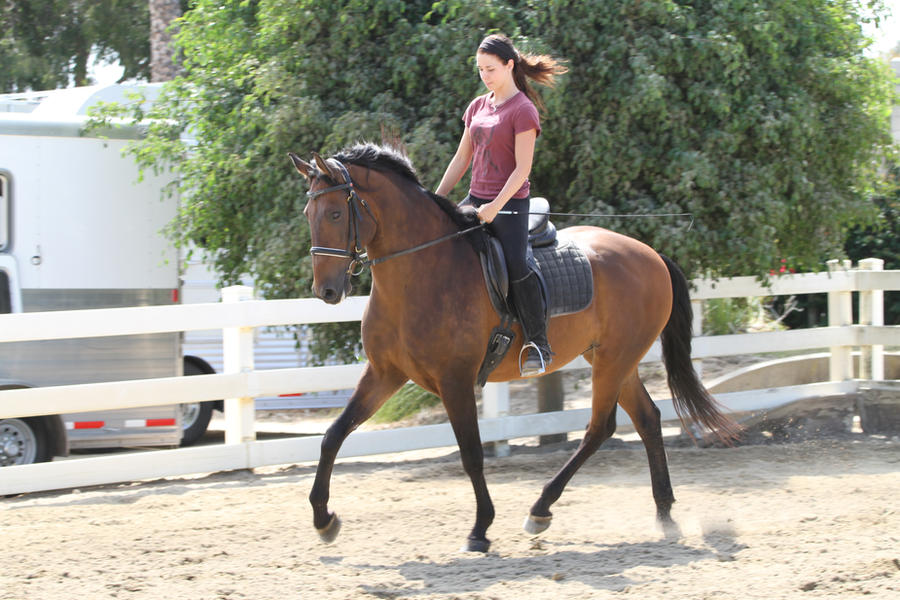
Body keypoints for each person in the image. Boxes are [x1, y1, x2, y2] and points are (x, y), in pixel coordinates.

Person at [435, 33, 567, 377]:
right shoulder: (477, 106)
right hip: (475, 199)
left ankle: (539, 342)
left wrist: (494, 206)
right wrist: (437, 198)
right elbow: (461, 158)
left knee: (517, 265)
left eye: (490, 69)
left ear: (510, 65)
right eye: (480, 69)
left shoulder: (523, 110)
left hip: (509, 206)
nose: (485, 76)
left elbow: (523, 169)